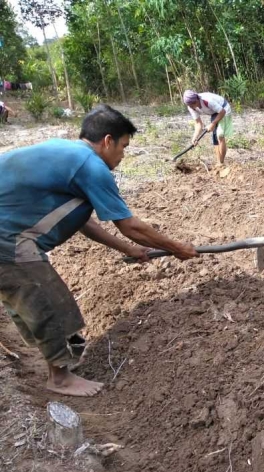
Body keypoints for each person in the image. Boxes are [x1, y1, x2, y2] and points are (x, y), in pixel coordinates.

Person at [0, 105, 198, 397]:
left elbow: (83, 222)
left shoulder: (65, 152)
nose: (123, 155)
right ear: (107, 141)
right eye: (123, 146)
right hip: (8, 239)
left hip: (9, 235)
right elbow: (130, 225)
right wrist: (176, 247)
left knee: (32, 298)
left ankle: (55, 359)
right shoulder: (91, 166)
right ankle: (60, 378)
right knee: (47, 301)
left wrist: (129, 249)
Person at [183, 89, 233, 167]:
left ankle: (221, 163)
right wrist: (195, 138)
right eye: (191, 105)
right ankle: (219, 162)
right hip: (214, 112)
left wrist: (213, 124)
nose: (193, 106)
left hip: (224, 109)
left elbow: (222, 111)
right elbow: (198, 124)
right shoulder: (191, 107)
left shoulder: (207, 101)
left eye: (194, 103)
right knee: (214, 137)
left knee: (220, 135)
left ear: (197, 99)